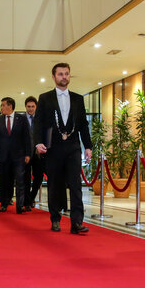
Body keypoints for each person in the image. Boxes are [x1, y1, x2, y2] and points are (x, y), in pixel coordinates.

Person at [34, 63, 92, 234]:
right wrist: (38, 143)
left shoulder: (78, 99)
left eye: (66, 74)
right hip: (53, 148)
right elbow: (38, 123)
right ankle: (55, 219)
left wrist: (87, 146)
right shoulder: (45, 98)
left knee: (76, 185)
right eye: (60, 74)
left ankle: (76, 222)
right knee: (54, 185)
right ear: (54, 77)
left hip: (73, 147)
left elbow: (83, 125)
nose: (64, 77)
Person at [0, 97, 31, 213]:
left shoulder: (21, 119)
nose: (1, 107)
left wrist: (28, 154)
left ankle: (20, 205)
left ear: (10, 106)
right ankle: (4, 203)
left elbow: (27, 137)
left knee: (20, 181)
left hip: (18, 156)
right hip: (3, 156)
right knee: (4, 181)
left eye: (3, 105)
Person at [23, 96, 43, 210]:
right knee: (25, 178)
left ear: (36, 107)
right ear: (25, 107)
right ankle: (27, 202)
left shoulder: (40, 119)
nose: (30, 109)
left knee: (38, 177)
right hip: (25, 153)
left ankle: (31, 197)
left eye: (33, 106)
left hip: (38, 154)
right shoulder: (21, 119)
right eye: (28, 106)